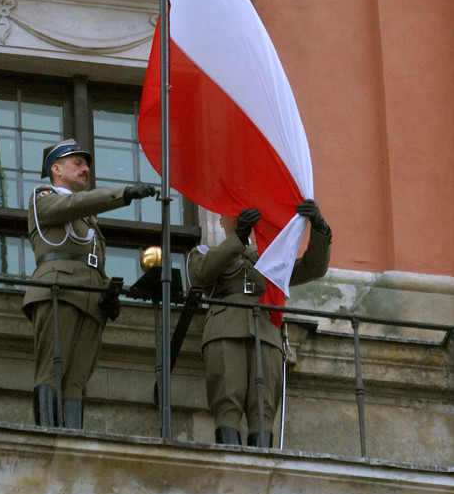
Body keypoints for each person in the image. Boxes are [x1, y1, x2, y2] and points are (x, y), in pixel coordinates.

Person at [23, 137, 157, 429]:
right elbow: (73, 205)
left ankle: (71, 437)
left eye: (86, 165)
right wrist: (123, 194)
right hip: (59, 288)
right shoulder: (42, 195)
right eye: (78, 163)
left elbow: (93, 259)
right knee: (51, 370)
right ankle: (48, 434)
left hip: (89, 296)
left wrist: (109, 292)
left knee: (77, 380)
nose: (85, 169)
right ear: (56, 168)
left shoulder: (86, 215)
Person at [187, 199, 332, 447]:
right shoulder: (204, 253)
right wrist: (238, 239)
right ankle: (229, 457)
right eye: (232, 212)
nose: (239, 215)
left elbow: (312, 268)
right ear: (221, 222)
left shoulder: (270, 258)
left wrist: (320, 229)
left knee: (263, 409)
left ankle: (261, 464)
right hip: (225, 330)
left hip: (265, 332)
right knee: (227, 402)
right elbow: (200, 274)